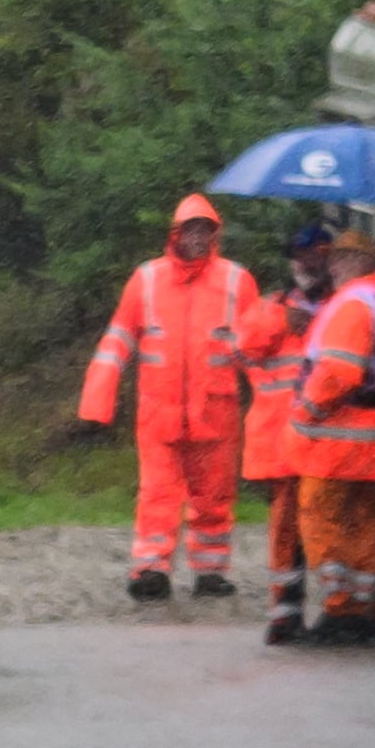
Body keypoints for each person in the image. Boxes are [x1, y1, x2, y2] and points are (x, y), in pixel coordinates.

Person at [78, 193, 260, 603]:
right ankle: (151, 569)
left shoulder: (236, 281)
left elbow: (257, 346)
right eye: (191, 230)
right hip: (159, 414)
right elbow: (119, 337)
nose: (198, 238)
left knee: (214, 495)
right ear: (175, 234)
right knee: (157, 494)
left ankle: (211, 572)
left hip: (216, 411)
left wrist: (276, 405)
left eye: (205, 231)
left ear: (215, 235)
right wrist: (97, 396)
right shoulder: (147, 279)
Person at [293, 228, 375, 646]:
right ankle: (363, 605)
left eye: (339, 259)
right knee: (363, 517)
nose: (331, 266)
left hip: (339, 439)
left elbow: (340, 371)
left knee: (319, 512)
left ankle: (340, 607)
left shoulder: (350, 305)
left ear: (353, 263)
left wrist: (306, 409)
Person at [236, 222, 339, 644]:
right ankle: (286, 611)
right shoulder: (273, 306)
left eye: (315, 255)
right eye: (299, 256)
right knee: (286, 529)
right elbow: (243, 345)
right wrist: (285, 320)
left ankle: (341, 611)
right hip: (283, 444)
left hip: (329, 442)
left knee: (329, 526)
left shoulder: (342, 306)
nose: (306, 263)